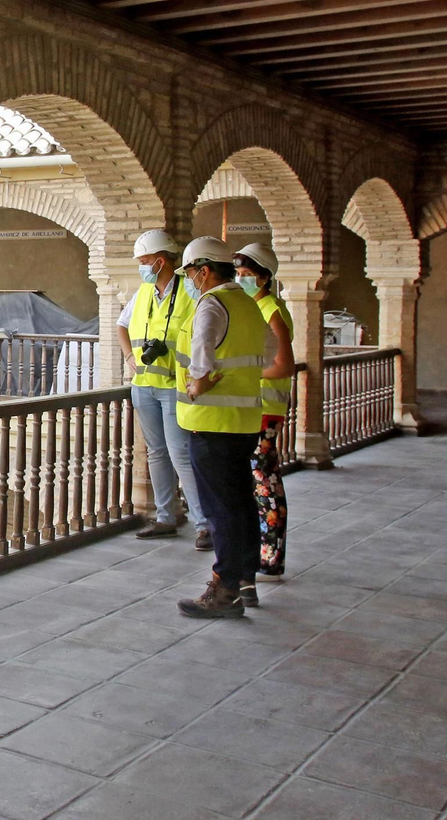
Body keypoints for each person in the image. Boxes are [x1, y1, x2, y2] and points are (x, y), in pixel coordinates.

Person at [172, 237, 275, 619]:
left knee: (221, 511)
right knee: (240, 504)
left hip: (212, 424)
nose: (189, 281)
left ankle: (225, 589)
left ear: (203, 271)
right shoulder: (247, 303)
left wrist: (198, 382)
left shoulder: (211, 304)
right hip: (243, 421)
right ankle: (244, 580)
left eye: (189, 273)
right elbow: (270, 352)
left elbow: (200, 354)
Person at [115, 229, 210, 549]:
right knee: (156, 453)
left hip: (174, 385)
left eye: (144, 261)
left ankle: (204, 524)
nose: (141, 267)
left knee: (180, 452)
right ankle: (166, 517)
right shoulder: (143, 292)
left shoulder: (189, 290)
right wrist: (129, 357)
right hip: (143, 384)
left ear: (160, 261)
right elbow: (121, 325)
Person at [234, 242, 295, 605]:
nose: (241, 280)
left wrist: (245, 373)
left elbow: (284, 365)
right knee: (259, 481)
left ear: (265, 278)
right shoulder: (253, 306)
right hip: (254, 407)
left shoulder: (271, 309)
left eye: (248, 275)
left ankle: (270, 556)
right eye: (238, 274)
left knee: (265, 481)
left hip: (266, 408)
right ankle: (263, 553)